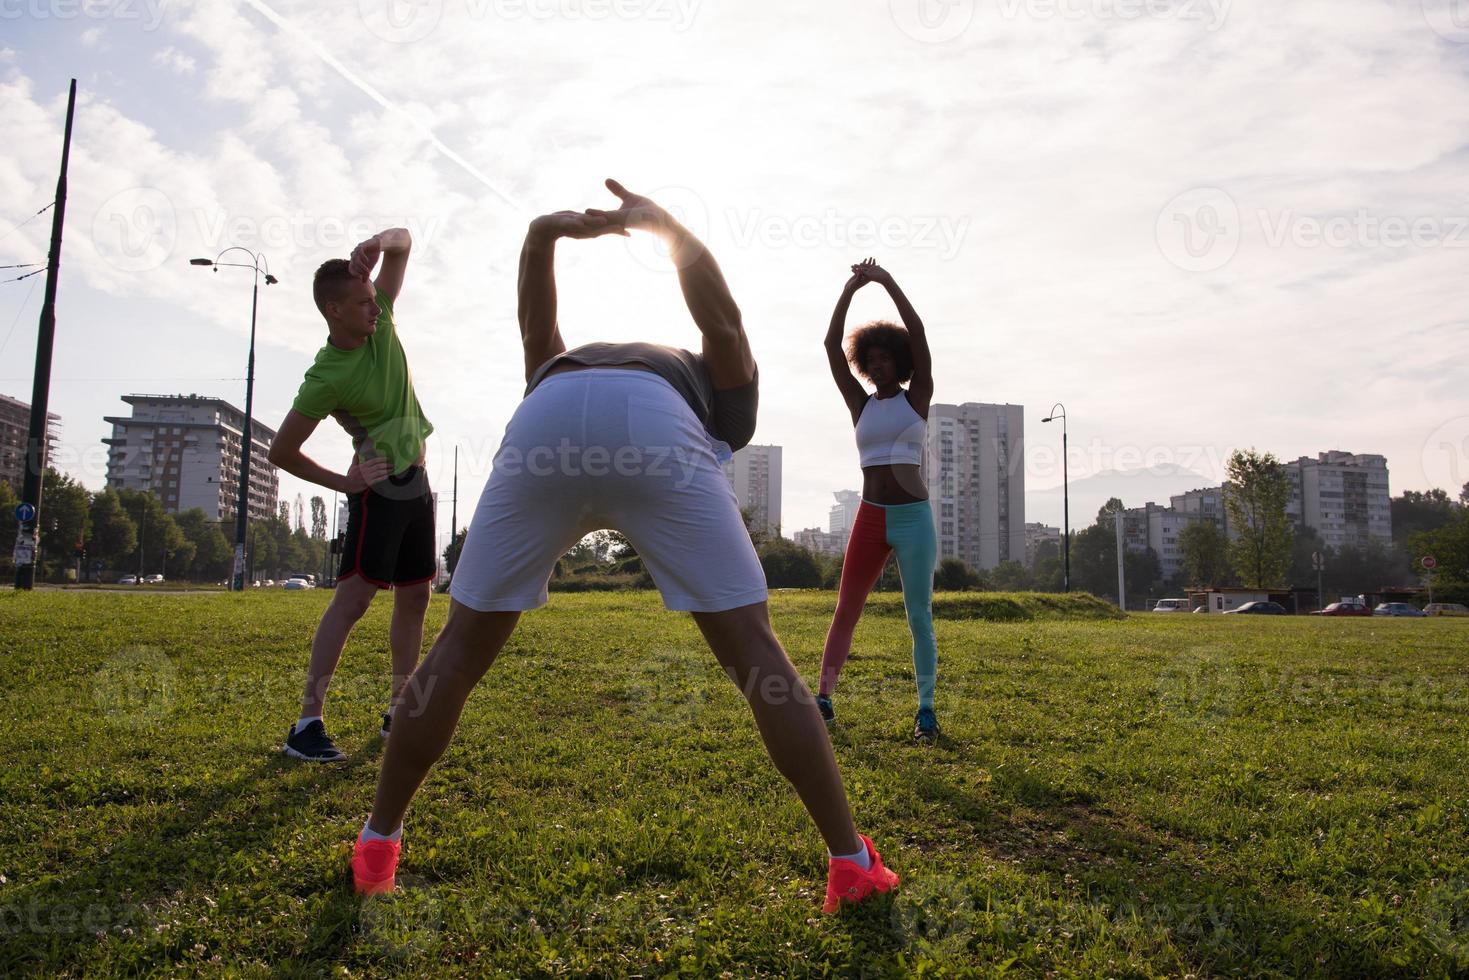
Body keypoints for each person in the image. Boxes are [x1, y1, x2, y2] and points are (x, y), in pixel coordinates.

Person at [349, 180, 899, 913]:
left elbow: (535, 332)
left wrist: (541, 237)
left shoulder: (570, 364)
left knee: (454, 653)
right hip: (654, 425)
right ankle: (849, 862)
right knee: (758, 655)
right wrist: (671, 230)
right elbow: (726, 326)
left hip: (545, 414)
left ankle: (376, 847)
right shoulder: (725, 392)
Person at [267, 228, 435, 762]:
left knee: (416, 596)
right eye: (364, 303)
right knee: (354, 601)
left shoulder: (380, 318)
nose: (377, 310)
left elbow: (405, 242)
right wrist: (344, 483)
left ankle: (400, 708)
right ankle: (307, 723)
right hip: (378, 492)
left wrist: (377, 242)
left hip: (417, 486)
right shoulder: (326, 376)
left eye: (376, 301)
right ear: (334, 310)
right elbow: (282, 451)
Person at [818, 258, 940, 742]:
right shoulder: (860, 404)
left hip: (913, 519)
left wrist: (887, 282)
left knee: (918, 615)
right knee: (846, 608)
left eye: (885, 357)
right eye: (870, 360)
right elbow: (830, 345)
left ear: (900, 359)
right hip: (870, 518)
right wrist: (850, 290)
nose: (876, 365)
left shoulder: (918, 398)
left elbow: (919, 330)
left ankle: (926, 712)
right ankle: (823, 698)